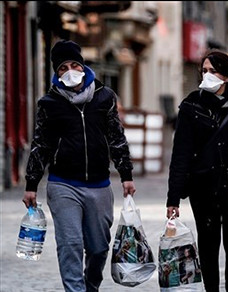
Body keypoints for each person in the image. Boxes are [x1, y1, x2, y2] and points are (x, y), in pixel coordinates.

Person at [22, 40, 136, 292]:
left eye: (75, 65)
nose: (70, 70)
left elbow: (116, 137)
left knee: (98, 248)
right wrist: (31, 183)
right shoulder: (49, 104)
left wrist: (126, 173)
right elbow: (41, 144)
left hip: (99, 185)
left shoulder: (104, 97)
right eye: (63, 67)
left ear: (83, 66)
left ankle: (90, 286)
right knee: (70, 244)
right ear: (56, 72)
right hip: (63, 184)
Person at [166, 50, 228, 292]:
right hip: (202, 186)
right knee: (208, 246)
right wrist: (173, 197)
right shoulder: (190, 106)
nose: (207, 75)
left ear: (227, 75)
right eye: (204, 71)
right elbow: (181, 154)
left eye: (213, 71)